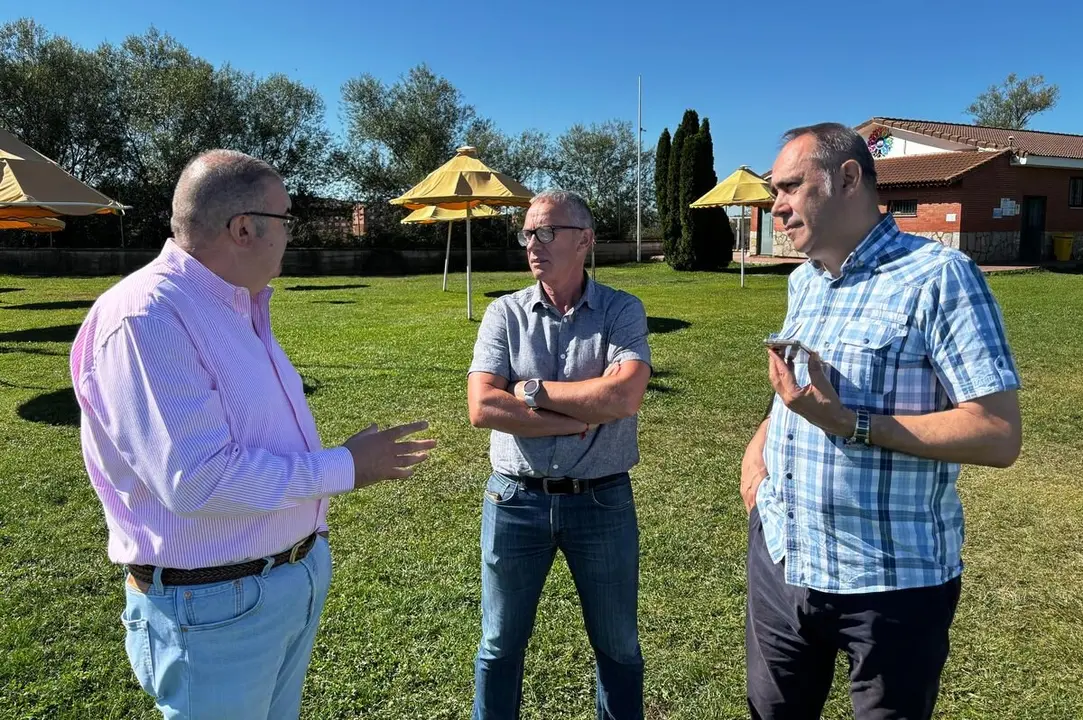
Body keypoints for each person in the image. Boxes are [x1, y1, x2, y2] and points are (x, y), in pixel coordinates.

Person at [70, 149, 435, 719]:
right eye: (286, 219)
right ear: (244, 228)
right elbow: (196, 480)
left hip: (276, 583)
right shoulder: (147, 317)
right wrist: (346, 465)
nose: (291, 234)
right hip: (214, 607)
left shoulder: (233, 305)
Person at [740, 123, 1023, 720]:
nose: (776, 205)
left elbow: (998, 433)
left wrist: (855, 424)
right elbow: (798, 391)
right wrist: (757, 460)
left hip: (890, 581)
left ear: (846, 178)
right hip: (785, 560)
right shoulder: (804, 281)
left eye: (789, 186)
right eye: (773, 190)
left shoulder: (939, 277)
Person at [467, 190, 653, 720]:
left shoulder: (621, 310)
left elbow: (624, 396)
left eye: (546, 232)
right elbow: (481, 406)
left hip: (602, 501)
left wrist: (529, 391)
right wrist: (579, 414)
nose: (533, 244)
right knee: (499, 645)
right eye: (528, 233)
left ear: (585, 241)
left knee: (618, 645)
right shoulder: (504, 313)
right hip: (514, 501)